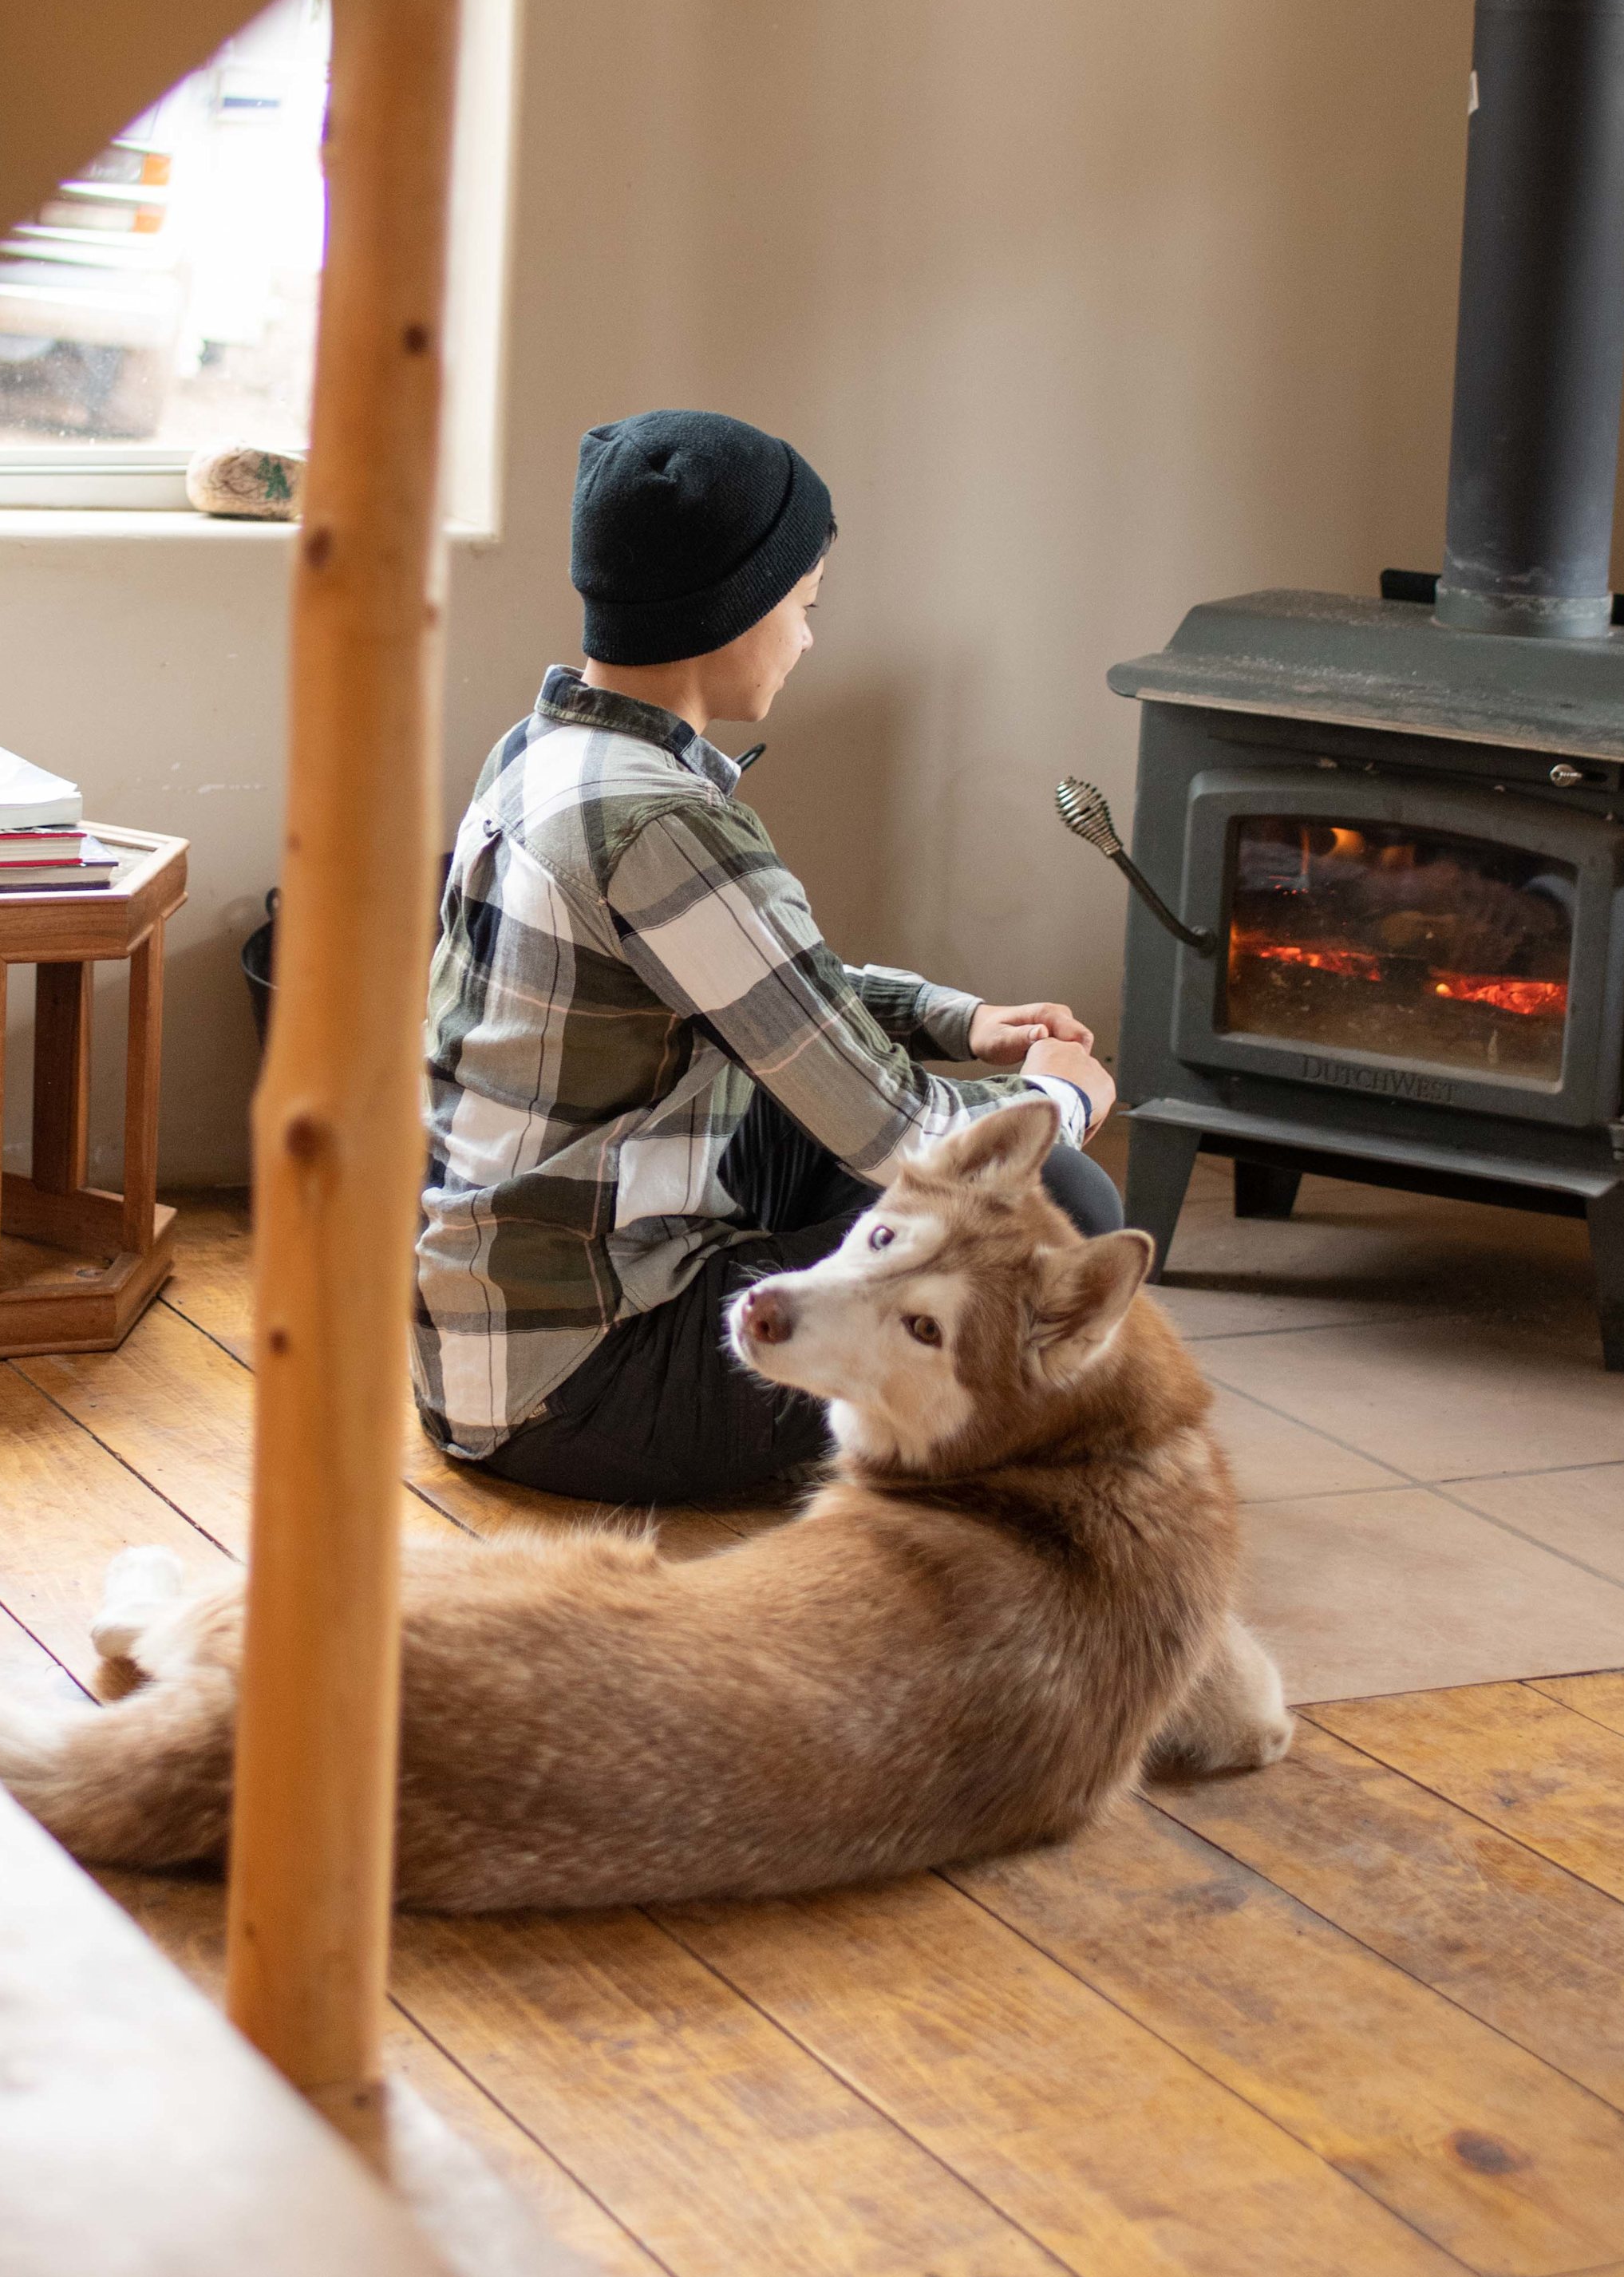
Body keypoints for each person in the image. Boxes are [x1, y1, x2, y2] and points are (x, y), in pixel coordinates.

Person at [413, 406, 1120, 1509]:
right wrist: (1061, 1098)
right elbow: (907, 1141)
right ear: (735, 611)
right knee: (1048, 1202)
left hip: (493, 1330)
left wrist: (958, 1022)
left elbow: (767, 987)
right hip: (578, 1381)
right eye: (803, 608)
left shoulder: (552, 756)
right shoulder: (663, 828)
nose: (806, 639)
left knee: (1014, 1192)